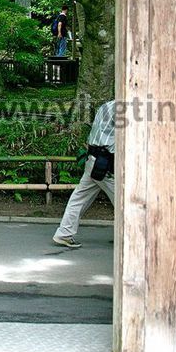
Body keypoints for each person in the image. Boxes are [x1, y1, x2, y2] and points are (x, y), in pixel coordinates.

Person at [53, 99, 116, 248]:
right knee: (126, 202)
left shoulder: (106, 105)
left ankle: (64, 233)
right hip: (106, 163)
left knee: (79, 198)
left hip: (93, 159)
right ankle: (129, 237)